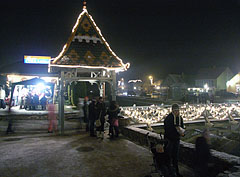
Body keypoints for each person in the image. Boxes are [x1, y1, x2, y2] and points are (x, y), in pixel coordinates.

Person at [164, 104, 185, 177]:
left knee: (175, 157)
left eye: (178, 111)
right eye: (176, 111)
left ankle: (176, 172)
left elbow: (182, 127)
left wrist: (182, 132)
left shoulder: (179, 118)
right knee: (169, 156)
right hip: (170, 140)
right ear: (173, 110)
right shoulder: (169, 118)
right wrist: (176, 130)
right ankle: (170, 173)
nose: (177, 112)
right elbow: (168, 130)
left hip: (176, 140)